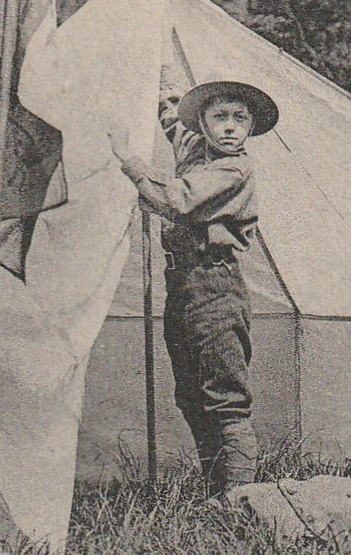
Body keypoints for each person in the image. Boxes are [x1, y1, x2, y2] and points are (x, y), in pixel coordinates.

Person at [111, 79, 279, 499]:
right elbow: (172, 117)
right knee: (190, 394)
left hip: (216, 285)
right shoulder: (195, 150)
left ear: (251, 127)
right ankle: (215, 491)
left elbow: (175, 201)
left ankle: (240, 499)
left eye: (240, 119)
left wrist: (130, 163)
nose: (229, 128)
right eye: (219, 117)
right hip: (183, 284)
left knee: (224, 397)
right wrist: (159, 72)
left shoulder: (232, 168)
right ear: (203, 122)